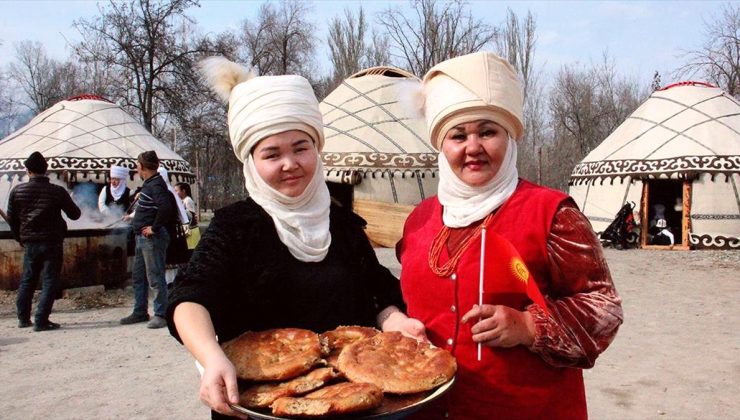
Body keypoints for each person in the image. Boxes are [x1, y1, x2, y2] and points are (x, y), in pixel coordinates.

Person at [166, 57, 423, 419]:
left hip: (346, 399)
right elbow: (191, 297)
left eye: (301, 148)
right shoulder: (236, 227)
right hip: (263, 404)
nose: (290, 163)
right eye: (272, 154)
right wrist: (211, 357)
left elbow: (376, 291)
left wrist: (394, 319)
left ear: (317, 149)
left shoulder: (343, 224)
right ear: (251, 161)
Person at [396, 52, 623, 419]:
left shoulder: (552, 213)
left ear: (509, 137)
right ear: (442, 145)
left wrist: (528, 326)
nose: (473, 148)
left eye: (487, 132)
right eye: (458, 136)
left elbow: (603, 307)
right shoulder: (419, 220)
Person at [7, 151, 81, 331]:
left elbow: (12, 219)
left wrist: (20, 238)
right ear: (46, 171)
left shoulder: (17, 191)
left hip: (30, 242)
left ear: (28, 171)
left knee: (27, 280)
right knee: (50, 281)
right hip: (52, 242)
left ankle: (23, 318)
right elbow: (75, 214)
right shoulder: (57, 191)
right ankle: (41, 319)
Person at [120, 150, 176, 329]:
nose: (136, 167)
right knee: (139, 276)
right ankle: (140, 310)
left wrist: (155, 227)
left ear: (142, 166)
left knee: (155, 276)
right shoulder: (150, 184)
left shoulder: (156, 185)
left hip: (152, 238)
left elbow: (166, 208)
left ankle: (161, 313)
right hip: (141, 238)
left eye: (137, 164)